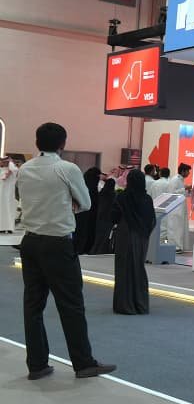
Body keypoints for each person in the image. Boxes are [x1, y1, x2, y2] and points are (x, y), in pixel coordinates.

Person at [17, 122, 116, 380]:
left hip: (30, 242)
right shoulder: (67, 168)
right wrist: (66, 205)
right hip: (57, 243)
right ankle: (83, 363)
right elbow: (86, 203)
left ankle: (37, 365)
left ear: (37, 142)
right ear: (63, 144)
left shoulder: (25, 169)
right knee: (71, 304)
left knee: (33, 305)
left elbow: (22, 198)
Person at [112, 169, 155, 315]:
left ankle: (125, 304)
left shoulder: (122, 197)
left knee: (124, 268)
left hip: (125, 235)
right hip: (142, 238)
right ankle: (140, 304)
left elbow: (114, 217)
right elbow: (151, 220)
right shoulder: (147, 199)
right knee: (138, 267)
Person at [73, 167, 101, 255]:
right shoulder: (94, 189)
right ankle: (85, 248)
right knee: (87, 230)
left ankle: (78, 248)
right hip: (90, 214)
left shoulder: (82, 185)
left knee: (79, 230)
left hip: (79, 212)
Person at [163, 163, 191, 251]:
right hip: (175, 209)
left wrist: (188, 191)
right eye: (188, 171)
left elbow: (181, 193)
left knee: (179, 229)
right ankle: (175, 247)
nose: (189, 173)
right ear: (183, 171)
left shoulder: (180, 180)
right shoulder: (175, 180)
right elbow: (172, 193)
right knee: (175, 229)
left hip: (179, 208)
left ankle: (178, 246)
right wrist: (185, 189)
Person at [89, 177, 116, 255]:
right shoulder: (113, 195)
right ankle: (101, 250)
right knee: (105, 235)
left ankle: (95, 250)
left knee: (98, 235)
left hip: (100, 217)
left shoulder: (101, 193)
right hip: (109, 218)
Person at [0, 156, 19, 234]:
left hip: (8, 195)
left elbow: (14, 170)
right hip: (1, 195)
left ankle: (9, 227)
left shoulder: (12, 170)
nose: (2, 162)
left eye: (4, 161)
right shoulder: (2, 170)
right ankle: (2, 227)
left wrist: (10, 162)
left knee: (9, 209)